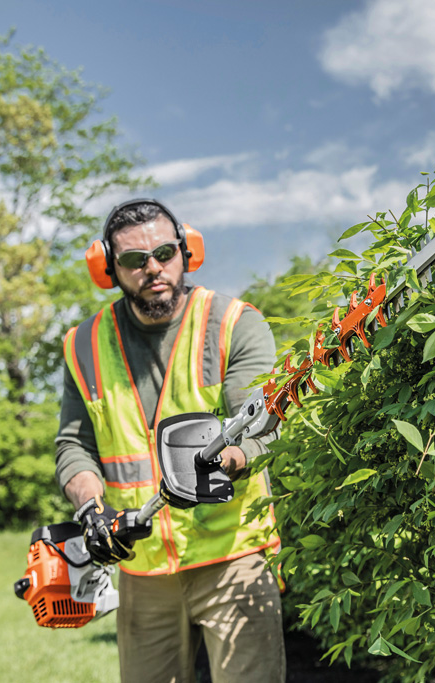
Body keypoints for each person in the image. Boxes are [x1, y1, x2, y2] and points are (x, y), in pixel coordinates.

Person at [55, 198, 285, 683]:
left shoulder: (233, 323)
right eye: (135, 260)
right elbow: (73, 446)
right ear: (108, 268)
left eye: (164, 252)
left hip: (232, 555)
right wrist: (91, 510)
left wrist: (230, 460)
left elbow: (265, 425)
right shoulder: (83, 343)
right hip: (141, 566)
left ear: (187, 251)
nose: (153, 268)